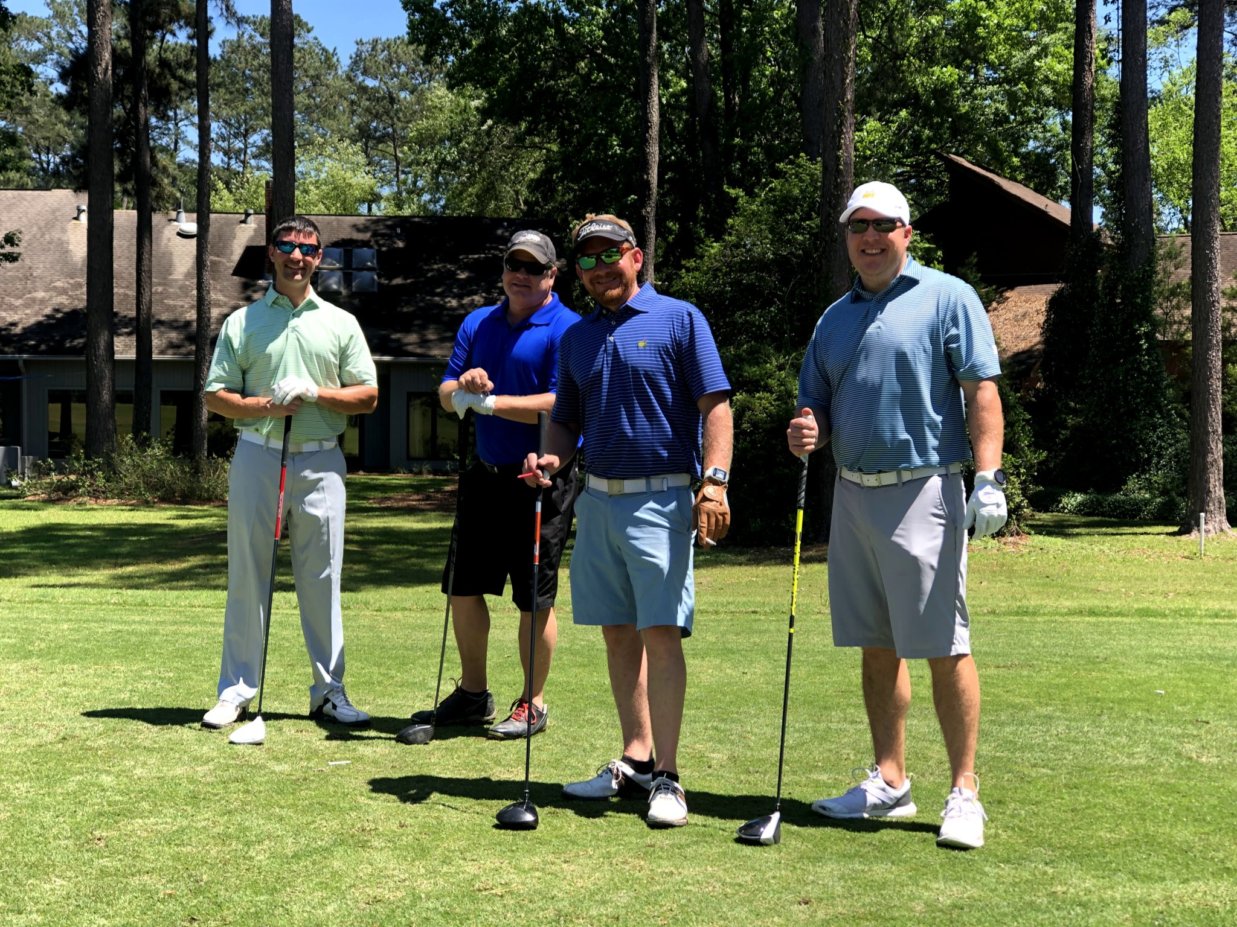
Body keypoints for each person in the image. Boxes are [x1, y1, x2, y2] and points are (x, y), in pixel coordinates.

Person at [787, 181, 1006, 850]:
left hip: (925, 490)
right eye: (858, 226)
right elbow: (813, 404)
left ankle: (964, 791)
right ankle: (889, 780)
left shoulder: (946, 296)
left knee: (942, 642)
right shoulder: (834, 318)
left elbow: (981, 390)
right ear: (847, 237)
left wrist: (988, 477)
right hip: (851, 492)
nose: (870, 237)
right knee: (875, 643)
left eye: (884, 225)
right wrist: (806, 428)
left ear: (906, 233)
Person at [525, 214, 733, 828]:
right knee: (618, 632)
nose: (599, 268)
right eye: (586, 261)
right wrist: (552, 456)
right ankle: (637, 760)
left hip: (663, 499)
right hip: (597, 498)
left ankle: (668, 776)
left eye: (609, 254)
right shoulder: (578, 339)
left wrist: (714, 483)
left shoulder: (680, 318)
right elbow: (567, 418)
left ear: (635, 256)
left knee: (660, 633)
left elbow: (715, 406)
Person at [401, 229, 580, 741]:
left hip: (541, 478)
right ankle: (474, 694)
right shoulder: (478, 322)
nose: (520, 276)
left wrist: (491, 402)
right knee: (463, 587)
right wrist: (467, 387)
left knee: (533, 598)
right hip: (484, 475)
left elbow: (561, 404)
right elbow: (443, 392)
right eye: (513, 265)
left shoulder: (567, 328)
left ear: (551, 275)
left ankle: (533, 701)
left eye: (533, 268)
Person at [201, 215, 378, 731]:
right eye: (287, 246)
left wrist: (316, 393)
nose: (297, 257)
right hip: (259, 454)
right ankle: (235, 690)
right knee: (248, 576)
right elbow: (216, 396)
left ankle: (328, 692)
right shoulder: (243, 322)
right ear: (272, 254)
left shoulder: (341, 322)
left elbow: (367, 396)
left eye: (307, 248)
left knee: (322, 578)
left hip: (323, 459)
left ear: (319, 257)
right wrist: (262, 405)